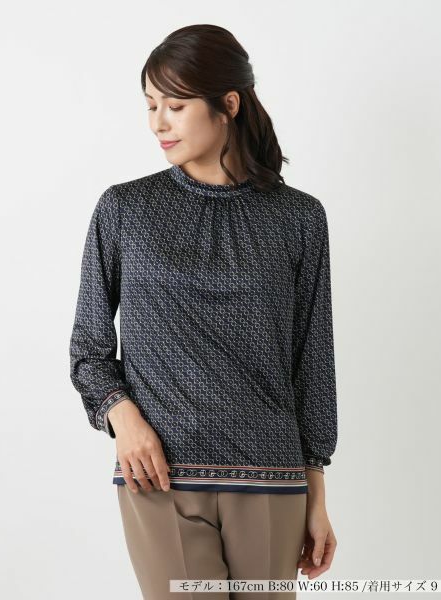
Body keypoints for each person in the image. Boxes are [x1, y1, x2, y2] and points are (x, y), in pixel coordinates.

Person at [69, 24, 338, 600]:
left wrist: (316, 495)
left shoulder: (299, 218)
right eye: (150, 106)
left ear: (228, 105)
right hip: (159, 479)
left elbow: (312, 363)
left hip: (273, 479)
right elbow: (88, 347)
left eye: (175, 105)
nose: (158, 123)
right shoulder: (124, 210)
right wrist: (124, 419)